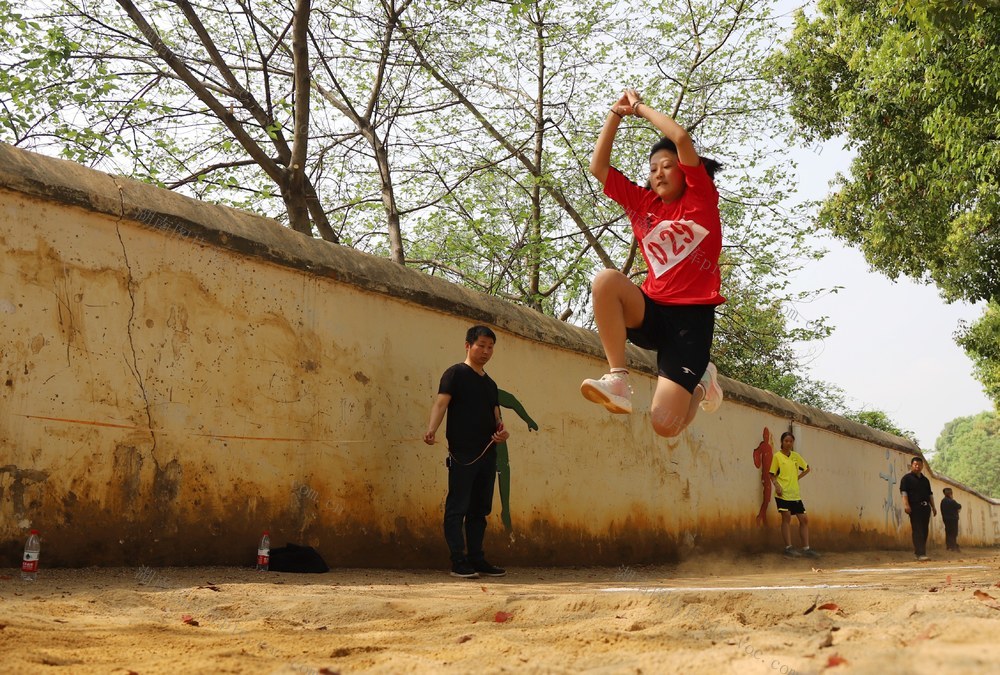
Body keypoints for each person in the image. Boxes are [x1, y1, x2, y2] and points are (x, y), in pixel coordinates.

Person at [580, 88, 724, 438]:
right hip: (652, 311)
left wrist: (639, 109)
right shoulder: (642, 204)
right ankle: (617, 379)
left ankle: (704, 381)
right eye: (653, 168)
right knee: (606, 281)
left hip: (690, 324)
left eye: (668, 166)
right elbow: (597, 167)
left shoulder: (701, 199)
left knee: (665, 426)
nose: (659, 173)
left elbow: (680, 137)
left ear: (687, 171)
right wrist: (615, 114)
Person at [424, 325, 510, 579]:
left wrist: (501, 432)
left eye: (490, 347)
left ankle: (477, 558)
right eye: (481, 345)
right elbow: (441, 404)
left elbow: (497, 418)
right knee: (457, 506)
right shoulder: (455, 374)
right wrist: (431, 430)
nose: (485, 351)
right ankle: (458, 560)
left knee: (480, 509)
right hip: (462, 452)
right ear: (468, 346)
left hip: (487, 453)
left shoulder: (491, 384)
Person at [768, 431, 820, 558]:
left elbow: (807, 468)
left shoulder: (796, 456)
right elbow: (771, 474)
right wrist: (777, 485)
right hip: (782, 494)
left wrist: (797, 478)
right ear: (782, 442)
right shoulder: (777, 456)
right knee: (786, 518)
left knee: (804, 520)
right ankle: (788, 548)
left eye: (791, 441)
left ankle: (806, 549)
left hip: (795, 494)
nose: (788, 443)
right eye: (786, 441)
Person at [496, 390, 539, 536]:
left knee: (504, 470)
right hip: (478, 445)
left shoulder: (488, 388)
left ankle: (505, 511)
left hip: (498, 440)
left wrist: (528, 419)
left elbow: (511, 400)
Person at [899, 456, 936, 561]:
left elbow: (930, 494)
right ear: (912, 465)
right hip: (914, 507)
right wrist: (906, 505)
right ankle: (920, 553)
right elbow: (903, 492)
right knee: (917, 530)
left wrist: (933, 507)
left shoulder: (925, 480)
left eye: (919, 465)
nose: (917, 467)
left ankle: (920, 552)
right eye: (915, 465)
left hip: (925, 508)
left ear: (922, 466)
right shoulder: (906, 479)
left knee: (924, 530)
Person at [940, 487, 962, 552]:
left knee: (948, 532)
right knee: (954, 533)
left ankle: (949, 546)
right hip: (953, 519)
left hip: (946, 519)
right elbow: (959, 506)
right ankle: (954, 546)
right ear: (950, 493)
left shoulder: (943, 501)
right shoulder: (952, 501)